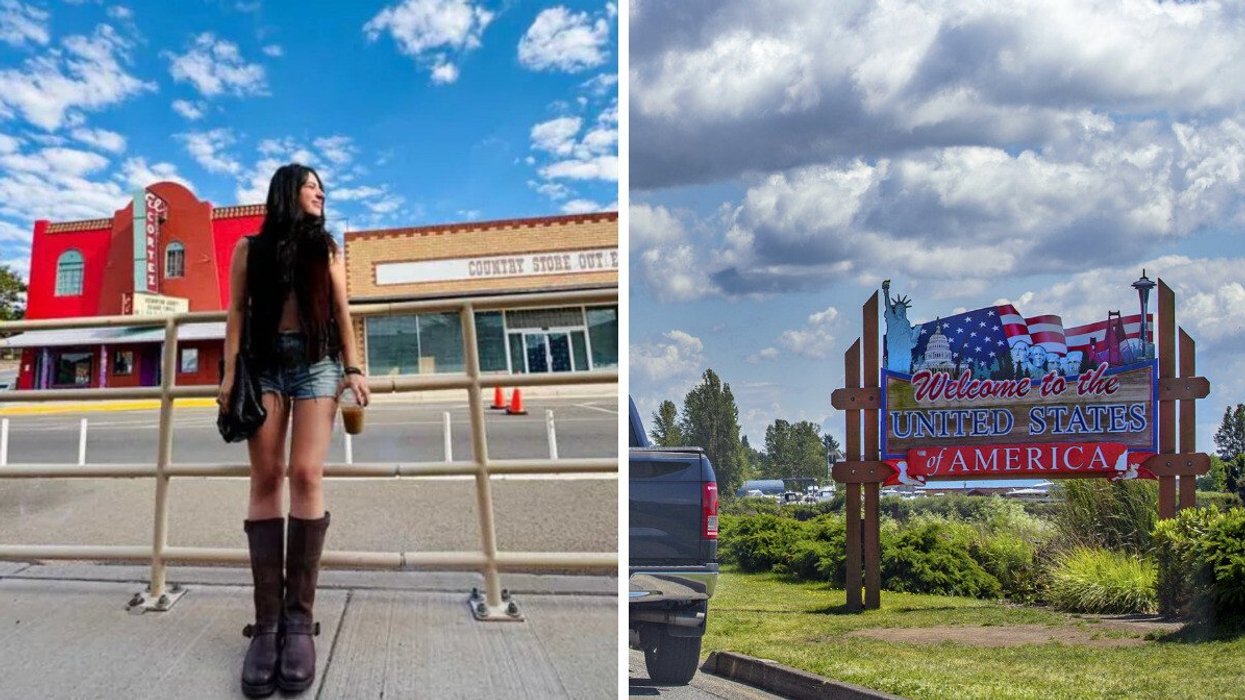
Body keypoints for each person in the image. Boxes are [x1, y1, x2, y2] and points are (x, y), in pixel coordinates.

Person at [218, 163, 370, 697]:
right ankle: (267, 627)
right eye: (311, 186)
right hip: (261, 365)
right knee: (267, 478)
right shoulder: (247, 249)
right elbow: (237, 311)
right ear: (288, 191)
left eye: (323, 187)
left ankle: (299, 622)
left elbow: (344, 310)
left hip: (317, 364)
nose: (321, 192)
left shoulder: (325, 248)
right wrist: (231, 372)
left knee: (305, 474)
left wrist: (353, 368)